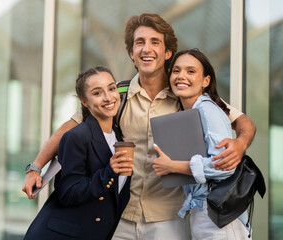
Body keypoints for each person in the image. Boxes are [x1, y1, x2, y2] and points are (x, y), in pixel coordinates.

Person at [22, 13, 256, 240]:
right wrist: (36, 167)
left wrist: (240, 143)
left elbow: (243, 122)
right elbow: (68, 128)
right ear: (131, 53)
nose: (146, 48)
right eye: (139, 42)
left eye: (155, 42)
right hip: (119, 216)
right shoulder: (116, 95)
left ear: (167, 53)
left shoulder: (187, 93)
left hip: (169, 219)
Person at [152, 49, 251, 239]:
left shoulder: (207, 108)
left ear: (206, 81)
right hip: (206, 212)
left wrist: (172, 166)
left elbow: (225, 166)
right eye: (176, 71)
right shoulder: (192, 112)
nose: (181, 76)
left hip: (220, 215)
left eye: (191, 71)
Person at [24, 66, 132, 240]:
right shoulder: (77, 136)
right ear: (84, 102)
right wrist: (109, 171)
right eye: (97, 93)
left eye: (111, 88)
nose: (108, 97)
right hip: (61, 235)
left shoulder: (118, 136)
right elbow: (68, 193)